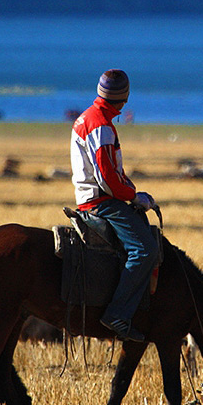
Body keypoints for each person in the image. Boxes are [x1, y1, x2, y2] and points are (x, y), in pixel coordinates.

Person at [70, 69, 158, 343]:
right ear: (123, 99)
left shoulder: (88, 117)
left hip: (95, 197)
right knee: (145, 250)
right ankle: (117, 314)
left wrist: (132, 190)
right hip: (101, 202)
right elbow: (107, 179)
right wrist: (133, 197)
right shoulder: (102, 127)